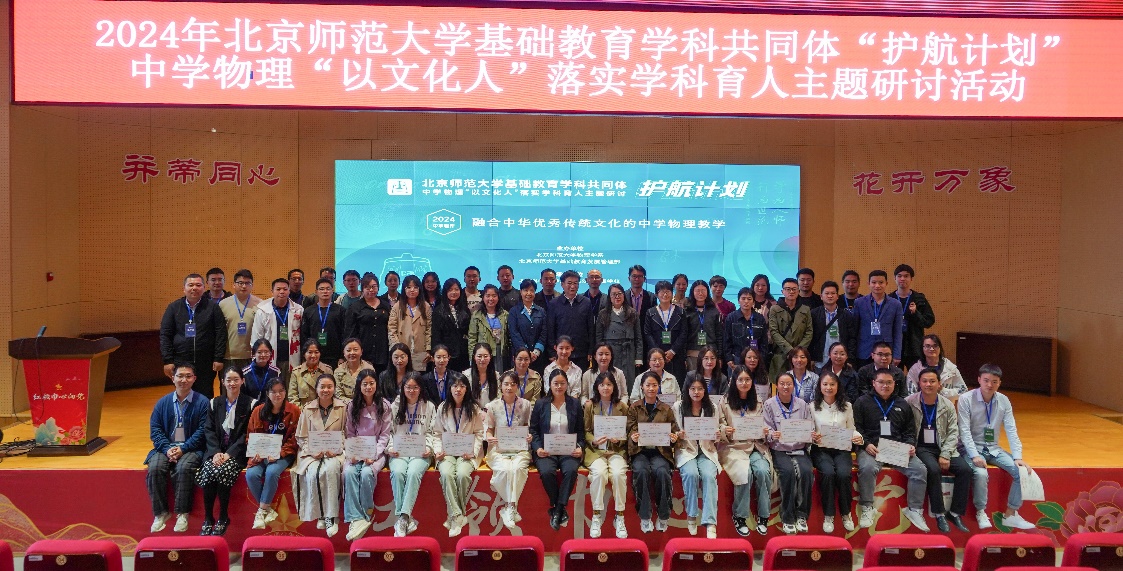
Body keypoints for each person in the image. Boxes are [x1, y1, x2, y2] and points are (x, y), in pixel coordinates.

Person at [958, 364, 1037, 530]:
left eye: (994, 381)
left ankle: (1011, 514)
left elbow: (1011, 429)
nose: (989, 385)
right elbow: (964, 431)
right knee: (980, 473)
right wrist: (974, 455)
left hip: (993, 448)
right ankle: (981, 511)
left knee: (1021, 472)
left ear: (999, 383)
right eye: (986, 380)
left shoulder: (1004, 400)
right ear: (979, 380)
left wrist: (1017, 457)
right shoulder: (966, 399)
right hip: (971, 448)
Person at [853, 369, 928, 531]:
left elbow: (909, 431)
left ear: (894, 384)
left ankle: (914, 509)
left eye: (889, 383)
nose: (885, 386)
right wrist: (866, 444)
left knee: (920, 470)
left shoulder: (902, 404)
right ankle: (867, 507)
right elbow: (856, 428)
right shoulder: (862, 402)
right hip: (872, 449)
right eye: (881, 382)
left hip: (896, 450)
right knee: (867, 468)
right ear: (873, 383)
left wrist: (910, 444)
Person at [906, 367, 975, 533]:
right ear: (919, 383)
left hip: (944, 447)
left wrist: (945, 453)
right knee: (933, 469)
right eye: (924, 381)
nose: (928, 384)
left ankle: (955, 513)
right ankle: (939, 513)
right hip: (922, 448)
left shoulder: (948, 405)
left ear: (939, 384)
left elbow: (953, 432)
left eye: (932, 381)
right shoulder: (909, 402)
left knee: (965, 470)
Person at [146, 364, 208, 533]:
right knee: (155, 467)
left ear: (194, 379)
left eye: (188, 376)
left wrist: (183, 448)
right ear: (173, 378)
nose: (184, 380)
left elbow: (203, 431)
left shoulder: (203, 402)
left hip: (192, 448)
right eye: (180, 376)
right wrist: (167, 448)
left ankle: (182, 513)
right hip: (166, 447)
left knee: (184, 467)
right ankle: (161, 513)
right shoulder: (163, 403)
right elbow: (155, 429)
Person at [196, 367, 254, 536]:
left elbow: (248, 433)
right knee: (208, 471)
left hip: (237, 453)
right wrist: (215, 452)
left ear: (242, 381)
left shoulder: (251, 404)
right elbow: (209, 429)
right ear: (222, 382)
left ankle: (223, 517)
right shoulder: (214, 403)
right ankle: (208, 518)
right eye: (228, 380)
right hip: (216, 452)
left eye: (236, 379)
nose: (232, 383)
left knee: (223, 471)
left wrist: (229, 454)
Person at [719, 365, 774, 536]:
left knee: (763, 470)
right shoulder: (724, 401)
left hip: (755, 444)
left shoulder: (758, 401)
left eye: (747, 380)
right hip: (733, 446)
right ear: (734, 382)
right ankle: (740, 516)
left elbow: (765, 426)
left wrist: (764, 431)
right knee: (745, 472)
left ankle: (764, 515)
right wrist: (724, 430)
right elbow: (718, 425)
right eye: (740, 380)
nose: (744, 383)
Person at [531, 369, 586, 530]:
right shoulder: (541, 404)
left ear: (567, 385)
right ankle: (559, 507)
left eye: (562, 383)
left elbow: (581, 431)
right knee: (547, 472)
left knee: (571, 470)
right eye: (556, 383)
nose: (559, 386)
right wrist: (538, 448)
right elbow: (533, 430)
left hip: (569, 450)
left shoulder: (574, 404)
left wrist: (580, 447)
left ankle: (557, 509)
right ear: (549, 384)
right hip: (546, 450)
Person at [432, 373, 486, 537]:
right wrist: (438, 450)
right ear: (450, 388)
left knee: (462, 474)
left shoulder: (474, 408)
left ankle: (454, 516)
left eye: (462, 386)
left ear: (467, 389)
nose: (458, 389)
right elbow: (436, 434)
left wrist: (473, 451)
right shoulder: (442, 407)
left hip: (466, 452)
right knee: (446, 473)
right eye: (455, 386)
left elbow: (479, 433)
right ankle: (458, 515)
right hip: (447, 452)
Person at [293, 374, 347, 537]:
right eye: (322, 387)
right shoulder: (307, 408)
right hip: (312, 452)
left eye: (329, 386)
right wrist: (311, 450)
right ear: (316, 389)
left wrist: (338, 448)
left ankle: (331, 516)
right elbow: (301, 436)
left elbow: (348, 433)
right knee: (312, 473)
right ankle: (320, 514)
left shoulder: (343, 408)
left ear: (334, 388)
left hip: (335, 451)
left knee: (331, 470)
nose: (326, 390)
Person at [809, 371, 862, 533]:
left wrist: (858, 437)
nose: (829, 387)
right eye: (825, 384)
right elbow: (809, 430)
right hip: (821, 449)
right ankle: (829, 515)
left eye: (832, 384)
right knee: (828, 473)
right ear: (820, 386)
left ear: (838, 386)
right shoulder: (812, 406)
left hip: (841, 448)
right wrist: (813, 436)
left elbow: (851, 428)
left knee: (844, 474)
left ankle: (846, 513)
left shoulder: (847, 406)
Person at [628, 371, 681, 533]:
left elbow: (674, 431)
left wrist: (674, 438)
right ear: (642, 387)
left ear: (659, 387)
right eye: (648, 385)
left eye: (654, 385)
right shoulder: (634, 407)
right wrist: (633, 436)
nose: (651, 388)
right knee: (641, 471)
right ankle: (645, 516)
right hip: (640, 451)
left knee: (662, 471)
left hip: (660, 452)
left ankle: (663, 515)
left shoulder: (666, 409)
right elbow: (630, 429)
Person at [342, 369, 392, 541]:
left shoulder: (384, 405)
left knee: (366, 473)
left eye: (371, 383)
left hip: (376, 452)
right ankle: (355, 518)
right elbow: (350, 433)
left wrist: (374, 454)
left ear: (376, 384)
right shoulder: (352, 405)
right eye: (365, 384)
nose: (368, 387)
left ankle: (365, 514)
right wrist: (353, 452)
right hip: (357, 451)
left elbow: (385, 435)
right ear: (359, 386)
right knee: (349, 472)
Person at [763, 372, 815, 534]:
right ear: (776, 385)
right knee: (787, 473)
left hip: (799, 447)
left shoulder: (802, 404)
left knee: (806, 472)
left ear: (794, 386)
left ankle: (802, 515)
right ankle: (787, 517)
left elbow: (810, 426)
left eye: (789, 384)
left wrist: (811, 434)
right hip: (779, 448)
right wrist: (772, 434)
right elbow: (766, 427)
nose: (785, 387)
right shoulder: (769, 404)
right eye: (782, 384)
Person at [246, 377, 300, 530]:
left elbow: (296, 438)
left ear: (285, 392)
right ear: (267, 393)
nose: (278, 395)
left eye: (281, 391)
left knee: (271, 472)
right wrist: (255, 452)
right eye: (273, 392)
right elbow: (250, 435)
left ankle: (262, 510)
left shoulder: (294, 411)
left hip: (284, 454)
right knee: (251, 475)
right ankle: (267, 509)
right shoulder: (258, 411)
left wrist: (279, 453)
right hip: (261, 454)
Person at [160, 274, 227, 399]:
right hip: (181, 360)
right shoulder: (174, 308)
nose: (194, 288)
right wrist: (168, 360)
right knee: (183, 394)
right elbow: (165, 335)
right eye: (190, 285)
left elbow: (220, 333)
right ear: (184, 288)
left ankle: (205, 413)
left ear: (204, 288)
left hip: (206, 362)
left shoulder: (212, 307)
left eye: (198, 285)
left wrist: (218, 357)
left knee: (205, 395)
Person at [674, 375, 725, 538]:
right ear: (687, 390)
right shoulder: (678, 407)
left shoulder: (712, 407)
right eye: (693, 389)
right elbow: (673, 431)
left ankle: (710, 522)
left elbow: (716, 433)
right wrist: (678, 435)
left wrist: (717, 435)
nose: (696, 392)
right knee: (691, 474)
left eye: (700, 389)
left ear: (705, 390)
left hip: (706, 450)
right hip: (686, 450)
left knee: (709, 476)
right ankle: (691, 515)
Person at [387, 373, 436, 537]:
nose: (411, 391)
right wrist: (390, 447)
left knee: (414, 472)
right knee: (398, 472)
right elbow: (388, 432)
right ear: (403, 388)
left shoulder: (429, 406)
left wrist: (429, 447)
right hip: (399, 451)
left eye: (415, 387)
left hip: (420, 451)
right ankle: (406, 518)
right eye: (408, 387)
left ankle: (402, 518)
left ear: (420, 388)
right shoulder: (394, 406)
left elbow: (433, 431)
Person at [583, 371, 630, 539]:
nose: (605, 388)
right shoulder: (590, 405)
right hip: (596, 451)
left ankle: (620, 516)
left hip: (616, 450)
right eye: (602, 384)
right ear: (597, 387)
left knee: (618, 474)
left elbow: (629, 431)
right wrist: (594, 441)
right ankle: (596, 515)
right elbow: (586, 431)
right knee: (599, 474)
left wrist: (620, 439)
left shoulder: (622, 407)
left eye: (609, 384)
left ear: (614, 387)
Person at [485, 370, 535, 529]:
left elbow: (528, 427)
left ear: (518, 386)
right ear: (501, 386)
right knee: (505, 470)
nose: (509, 387)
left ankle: (509, 507)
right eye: (506, 384)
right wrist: (489, 437)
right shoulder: (492, 406)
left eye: (513, 384)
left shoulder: (525, 405)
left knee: (517, 469)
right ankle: (511, 506)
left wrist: (529, 436)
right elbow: (488, 430)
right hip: (498, 449)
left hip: (519, 449)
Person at [251, 278, 303, 381]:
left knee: (291, 387)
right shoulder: (263, 311)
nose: (282, 292)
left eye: (285, 289)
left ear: (289, 291)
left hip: (292, 358)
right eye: (278, 289)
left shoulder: (298, 310)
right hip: (270, 358)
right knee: (271, 387)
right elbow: (256, 338)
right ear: (272, 292)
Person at [596, 283, 644, 389]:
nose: (617, 297)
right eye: (613, 294)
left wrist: (638, 357)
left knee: (628, 382)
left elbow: (638, 337)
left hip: (628, 352)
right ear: (609, 297)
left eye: (619, 294)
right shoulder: (603, 314)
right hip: (611, 352)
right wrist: (601, 355)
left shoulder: (632, 312)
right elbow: (599, 337)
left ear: (624, 295)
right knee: (611, 380)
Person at [546, 270, 597, 369]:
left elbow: (591, 328)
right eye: (569, 283)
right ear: (562, 284)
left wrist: (591, 350)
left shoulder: (586, 302)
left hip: (581, 353)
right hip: (561, 353)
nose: (572, 286)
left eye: (575, 283)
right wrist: (552, 352)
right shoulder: (554, 304)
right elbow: (550, 330)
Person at [890, 264, 936, 370]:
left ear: (911, 279)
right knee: (895, 376)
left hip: (914, 346)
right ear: (894, 278)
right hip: (894, 346)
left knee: (916, 376)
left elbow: (929, 321)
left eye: (906, 276)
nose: (902, 279)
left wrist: (916, 313)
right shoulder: (889, 299)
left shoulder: (919, 299)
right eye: (899, 276)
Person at [854, 270, 904, 368]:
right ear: (868, 284)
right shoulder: (859, 303)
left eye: (881, 282)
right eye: (874, 282)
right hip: (864, 351)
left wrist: (897, 354)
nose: (877, 285)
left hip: (886, 352)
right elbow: (855, 329)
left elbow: (898, 332)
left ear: (886, 283)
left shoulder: (896, 304)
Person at [344, 273, 390, 378]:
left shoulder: (385, 305)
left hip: (383, 353)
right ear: (362, 289)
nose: (371, 290)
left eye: (374, 287)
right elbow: (349, 333)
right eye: (367, 287)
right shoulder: (355, 307)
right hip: (363, 353)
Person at [767, 278, 813, 381]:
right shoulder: (775, 309)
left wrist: (798, 352)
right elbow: (774, 332)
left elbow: (809, 332)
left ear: (798, 291)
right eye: (788, 289)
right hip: (781, 355)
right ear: (782, 291)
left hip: (800, 356)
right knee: (780, 384)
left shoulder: (805, 309)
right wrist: (790, 351)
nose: (791, 292)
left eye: (794, 289)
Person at [645, 280, 688, 382]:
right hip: (657, 356)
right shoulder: (650, 312)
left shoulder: (681, 312)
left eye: (668, 291)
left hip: (676, 355)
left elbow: (683, 333)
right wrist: (658, 353)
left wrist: (672, 351)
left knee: (677, 382)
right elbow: (647, 333)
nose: (665, 294)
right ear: (656, 294)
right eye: (662, 292)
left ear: (672, 293)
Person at [219, 269, 262, 371]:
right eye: (240, 283)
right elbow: (219, 332)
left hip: (252, 356)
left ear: (252, 285)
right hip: (229, 356)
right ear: (234, 285)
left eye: (247, 283)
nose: (244, 286)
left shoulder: (260, 304)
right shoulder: (223, 304)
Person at [809, 281, 859, 370]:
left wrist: (850, 359)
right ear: (821, 296)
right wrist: (812, 358)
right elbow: (811, 338)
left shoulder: (846, 314)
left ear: (837, 296)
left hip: (840, 360)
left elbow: (852, 338)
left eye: (833, 293)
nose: (830, 296)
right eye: (827, 293)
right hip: (820, 361)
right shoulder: (814, 314)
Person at [389, 275, 433, 372]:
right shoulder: (397, 307)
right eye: (408, 287)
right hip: (402, 350)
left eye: (415, 287)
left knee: (418, 378)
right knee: (403, 376)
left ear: (420, 289)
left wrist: (428, 349)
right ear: (404, 289)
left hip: (420, 351)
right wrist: (396, 348)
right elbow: (392, 330)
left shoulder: (426, 307)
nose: (412, 290)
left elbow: (429, 330)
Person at [301, 278, 346, 368]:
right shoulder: (308, 311)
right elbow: (304, 335)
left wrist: (342, 356)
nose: (325, 291)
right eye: (321, 289)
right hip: (314, 356)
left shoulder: (340, 310)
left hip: (335, 357)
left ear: (332, 291)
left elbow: (344, 334)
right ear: (316, 292)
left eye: (328, 289)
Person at [724, 286, 769, 376]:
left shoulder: (759, 318)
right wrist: (729, 358)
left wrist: (762, 359)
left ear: (753, 301)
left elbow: (764, 342)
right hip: (736, 358)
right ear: (738, 301)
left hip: (755, 360)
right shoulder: (731, 317)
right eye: (743, 298)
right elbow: (726, 340)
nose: (746, 301)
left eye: (749, 299)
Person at [432, 278, 472, 372]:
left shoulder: (464, 309)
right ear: (445, 292)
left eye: (456, 289)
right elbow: (436, 335)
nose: (454, 292)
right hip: (446, 354)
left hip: (463, 353)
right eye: (450, 290)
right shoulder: (438, 311)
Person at [684, 280, 724, 373]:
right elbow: (684, 335)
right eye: (697, 291)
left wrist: (719, 356)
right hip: (692, 353)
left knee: (710, 379)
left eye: (703, 290)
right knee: (694, 379)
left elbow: (719, 335)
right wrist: (683, 357)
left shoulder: (714, 311)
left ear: (707, 292)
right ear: (692, 292)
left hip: (711, 353)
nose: (700, 293)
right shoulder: (686, 311)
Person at [468, 284, 510, 372]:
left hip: (500, 352)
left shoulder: (505, 314)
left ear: (498, 298)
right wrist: (472, 357)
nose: (491, 299)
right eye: (488, 296)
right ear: (483, 298)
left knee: (498, 376)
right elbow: (472, 338)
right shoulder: (477, 315)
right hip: (482, 353)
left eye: (494, 296)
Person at [509, 278, 547, 374]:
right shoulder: (514, 311)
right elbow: (514, 333)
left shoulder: (541, 311)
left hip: (537, 357)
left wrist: (536, 352)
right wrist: (526, 352)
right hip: (520, 356)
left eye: (532, 290)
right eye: (526, 290)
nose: (528, 293)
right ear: (521, 292)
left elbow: (544, 332)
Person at [288, 339, 335, 406]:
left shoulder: (327, 370)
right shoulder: (296, 372)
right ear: (304, 354)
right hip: (303, 410)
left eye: (316, 352)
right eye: (310, 352)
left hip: (323, 410)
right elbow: (292, 397)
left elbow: (333, 394)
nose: (313, 355)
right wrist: (304, 411)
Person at [544, 336, 584, 402]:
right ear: (555, 348)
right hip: (553, 403)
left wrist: (568, 405)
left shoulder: (577, 370)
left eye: (567, 348)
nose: (564, 351)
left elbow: (576, 391)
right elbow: (548, 390)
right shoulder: (548, 369)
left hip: (571, 404)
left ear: (572, 348)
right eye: (561, 348)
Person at [624, 265, 656, 334]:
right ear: (629, 278)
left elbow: (653, 319)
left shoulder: (651, 297)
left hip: (646, 334)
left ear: (644, 279)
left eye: (640, 276)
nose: (637, 279)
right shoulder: (623, 296)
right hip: (627, 334)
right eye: (634, 276)